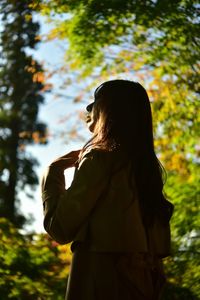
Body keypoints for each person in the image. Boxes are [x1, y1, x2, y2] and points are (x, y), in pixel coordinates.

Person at [41, 79, 174, 300]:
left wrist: (52, 172)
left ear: (112, 109)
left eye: (96, 100)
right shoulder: (146, 171)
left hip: (99, 281)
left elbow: (60, 228)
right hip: (142, 284)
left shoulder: (99, 158)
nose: (88, 108)